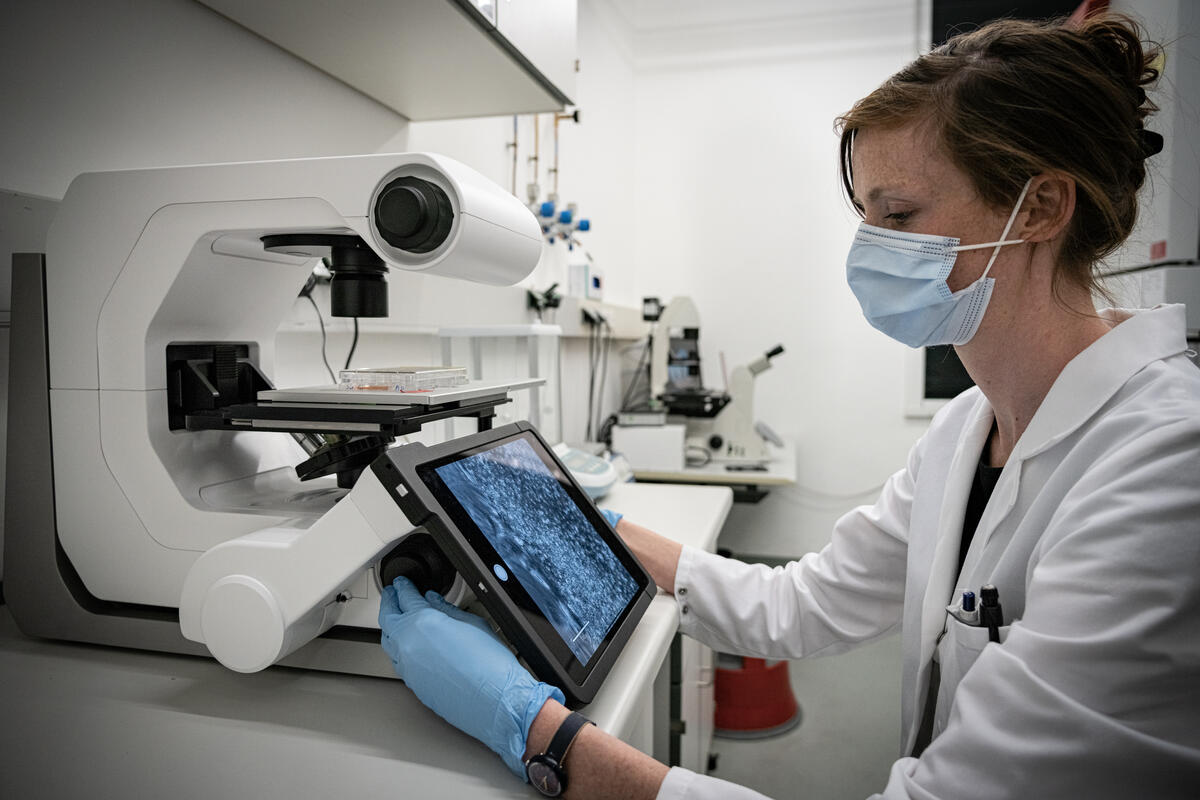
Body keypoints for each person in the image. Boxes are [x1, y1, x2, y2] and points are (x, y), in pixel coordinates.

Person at [377, 13, 1200, 799]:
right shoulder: (967, 428)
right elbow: (801, 604)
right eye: (866, 214)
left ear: (1044, 208)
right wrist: (593, 529)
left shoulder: (1165, 467)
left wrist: (542, 739)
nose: (868, 246)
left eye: (900, 213)